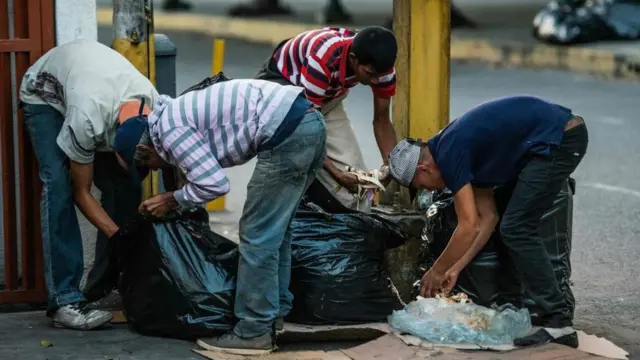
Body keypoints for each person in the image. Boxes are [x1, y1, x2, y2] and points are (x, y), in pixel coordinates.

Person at [128, 79, 326, 355]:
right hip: (309, 121)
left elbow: (215, 184)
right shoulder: (172, 115)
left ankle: (254, 331)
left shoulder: (170, 131)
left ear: (147, 150)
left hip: (289, 132)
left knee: (258, 234)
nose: (156, 169)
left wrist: (172, 199)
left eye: (149, 165)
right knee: (276, 231)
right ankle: (275, 313)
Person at [387, 95, 588, 348]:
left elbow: (468, 225)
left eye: (421, 187)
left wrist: (437, 271)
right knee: (509, 223)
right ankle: (513, 306)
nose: (427, 191)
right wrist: (456, 267)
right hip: (548, 142)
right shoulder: (453, 150)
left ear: (423, 170)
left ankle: (559, 322)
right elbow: (487, 218)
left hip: (561, 138)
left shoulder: (450, 152)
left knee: (517, 228)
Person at [19, 39, 158, 330]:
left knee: (128, 185)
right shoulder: (86, 120)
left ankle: (103, 289)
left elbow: (166, 164)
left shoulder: (154, 107)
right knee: (58, 186)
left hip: (92, 86)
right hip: (45, 96)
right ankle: (65, 300)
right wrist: (120, 237)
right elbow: (82, 193)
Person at [256, 25, 398, 213]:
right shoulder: (323, 58)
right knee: (296, 164)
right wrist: (337, 175)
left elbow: (382, 120)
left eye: (379, 76)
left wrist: (391, 165)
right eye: (370, 75)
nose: (375, 82)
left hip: (324, 98)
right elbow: (306, 128)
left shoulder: (382, 70)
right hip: (285, 92)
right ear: (353, 60)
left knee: (359, 193)